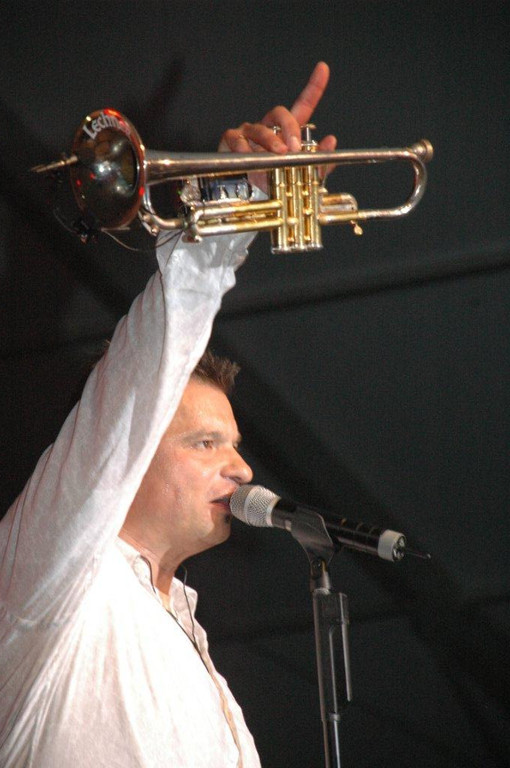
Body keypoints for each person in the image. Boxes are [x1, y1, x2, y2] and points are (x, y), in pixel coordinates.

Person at [0, 63, 336, 767]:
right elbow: (131, 389)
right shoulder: (52, 583)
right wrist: (231, 211)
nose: (242, 469)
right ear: (126, 460)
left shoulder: (194, 647)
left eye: (233, 445)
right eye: (205, 442)